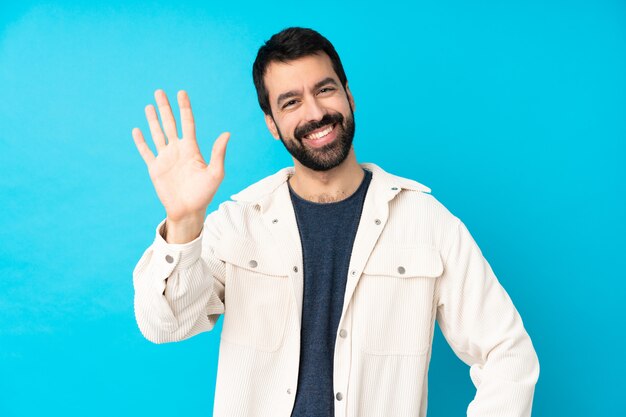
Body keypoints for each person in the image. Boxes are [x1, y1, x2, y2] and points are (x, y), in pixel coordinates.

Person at [131, 27, 539, 417]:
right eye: (290, 102)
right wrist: (183, 222)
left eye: (324, 90)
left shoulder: (427, 222)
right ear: (272, 125)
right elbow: (164, 324)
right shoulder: (238, 223)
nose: (315, 113)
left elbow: (507, 352)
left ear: (349, 96)